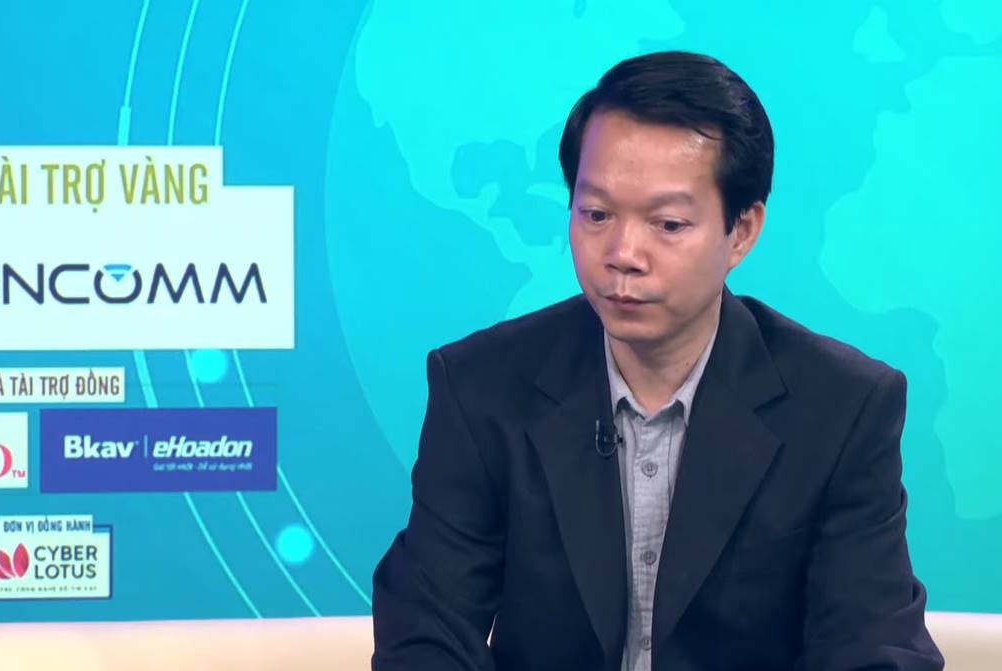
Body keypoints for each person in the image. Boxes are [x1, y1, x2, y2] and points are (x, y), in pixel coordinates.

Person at [370, 50, 943, 671]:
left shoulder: (841, 407)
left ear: (741, 231)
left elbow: (874, 649)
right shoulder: (481, 387)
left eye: (667, 224)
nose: (623, 253)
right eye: (596, 214)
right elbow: (426, 633)